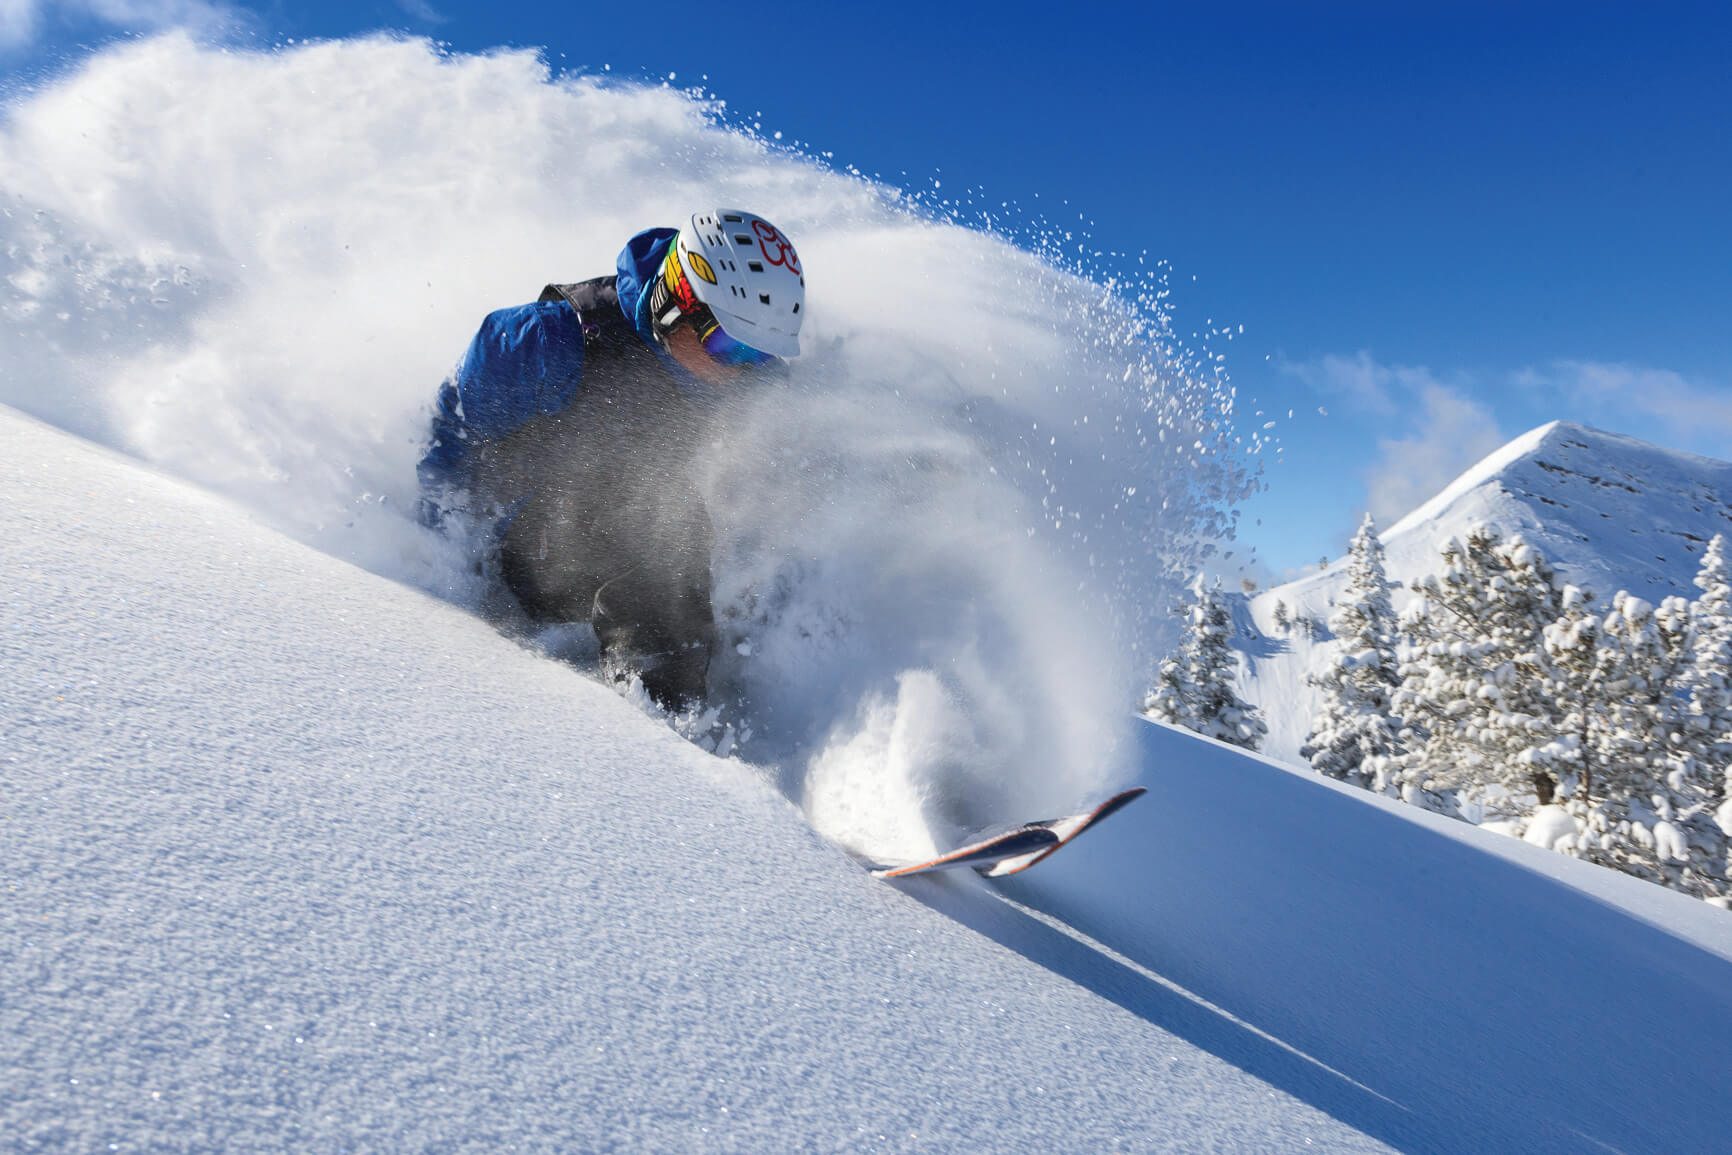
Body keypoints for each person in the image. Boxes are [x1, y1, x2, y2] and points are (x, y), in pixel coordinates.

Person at [418, 209, 805, 710]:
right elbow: (453, 434)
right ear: (677, 298)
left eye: (756, 355)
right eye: (728, 344)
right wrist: (446, 573)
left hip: (629, 556)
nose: (736, 370)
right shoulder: (547, 342)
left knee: (734, 532)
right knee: (660, 508)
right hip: (525, 547)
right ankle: (657, 719)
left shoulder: (749, 384)